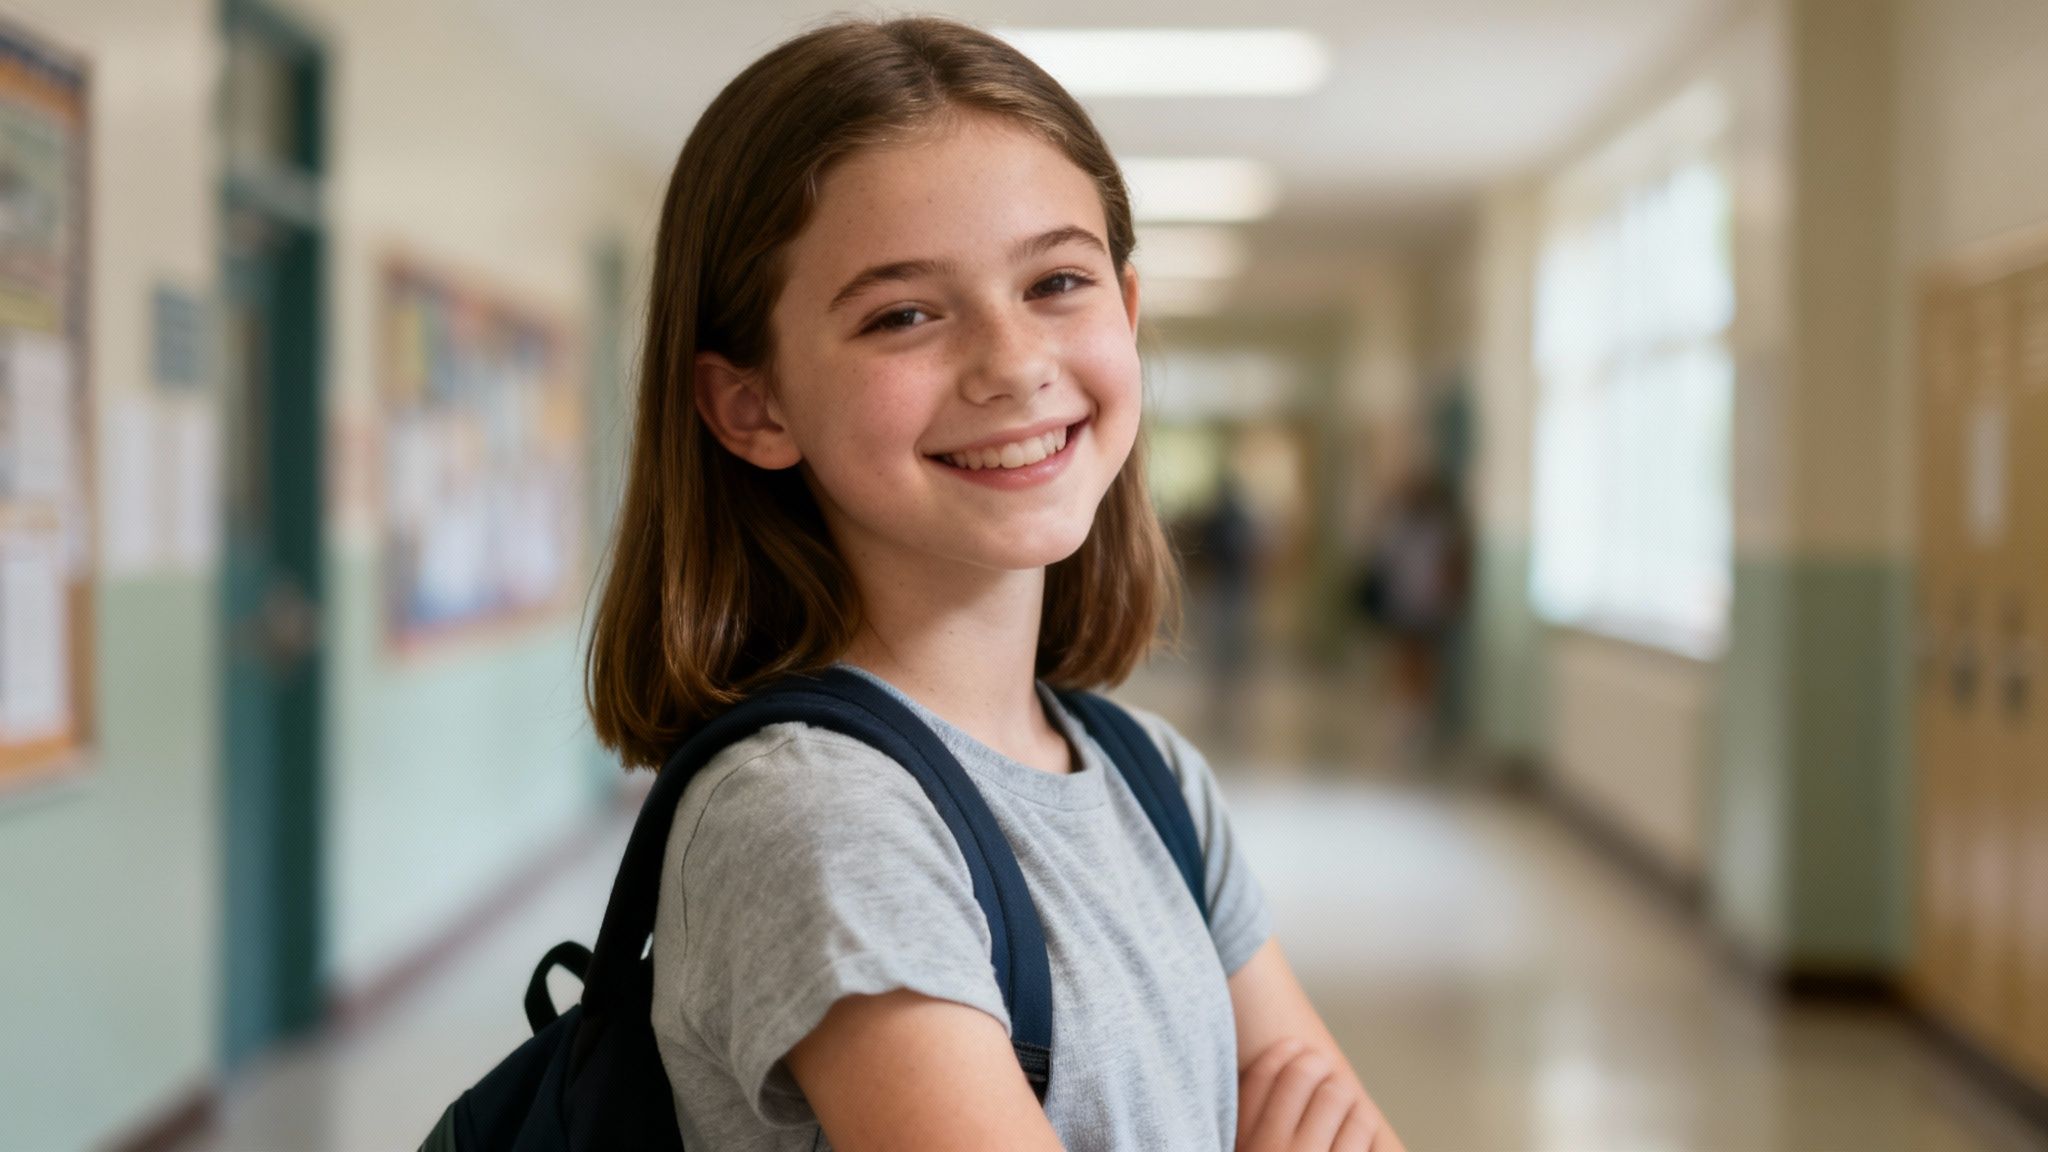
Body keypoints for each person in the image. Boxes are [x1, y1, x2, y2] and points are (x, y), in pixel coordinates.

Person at [583, 17, 1405, 1151]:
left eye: (1056, 281)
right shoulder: (822, 820)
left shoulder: (1150, 778)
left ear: (1125, 310)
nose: (1013, 363)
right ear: (751, 406)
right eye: (902, 314)